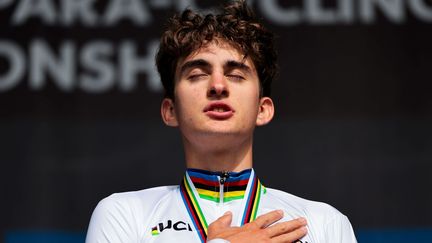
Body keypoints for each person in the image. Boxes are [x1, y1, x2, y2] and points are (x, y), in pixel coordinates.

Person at [85, 1, 358, 242]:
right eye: (197, 74)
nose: (218, 85)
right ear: (171, 110)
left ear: (263, 109)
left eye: (236, 75)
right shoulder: (124, 214)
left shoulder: (324, 223)